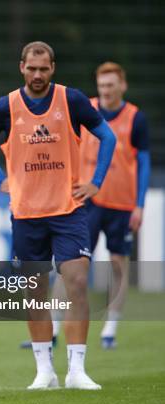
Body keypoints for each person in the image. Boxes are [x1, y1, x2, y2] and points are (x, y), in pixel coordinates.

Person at [0, 41, 116, 390]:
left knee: (77, 283)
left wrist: (95, 182)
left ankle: (77, 370)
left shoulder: (73, 100)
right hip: (27, 215)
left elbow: (106, 137)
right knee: (34, 294)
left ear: (53, 68)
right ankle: (44, 371)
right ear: (22, 67)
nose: (38, 75)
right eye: (31, 68)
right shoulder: (6, 106)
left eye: (44, 68)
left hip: (68, 210)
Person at [79, 62, 151, 349]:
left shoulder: (135, 118)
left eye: (111, 85)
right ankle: (57, 327)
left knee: (118, 265)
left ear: (123, 85)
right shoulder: (85, 110)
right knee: (72, 264)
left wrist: (140, 204)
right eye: (102, 85)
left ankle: (110, 328)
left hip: (121, 204)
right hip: (88, 200)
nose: (106, 91)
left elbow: (143, 163)